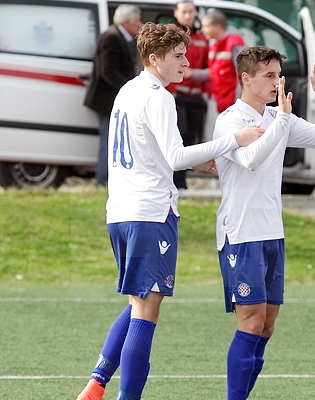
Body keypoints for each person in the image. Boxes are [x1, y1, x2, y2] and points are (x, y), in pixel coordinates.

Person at [75, 23, 263, 400]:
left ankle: (96, 384)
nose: (186, 61)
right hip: (150, 213)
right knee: (146, 311)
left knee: (138, 302)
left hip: (121, 212)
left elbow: (155, 152)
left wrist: (199, 162)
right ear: (154, 58)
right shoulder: (159, 96)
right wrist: (231, 141)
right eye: (178, 55)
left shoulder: (127, 91)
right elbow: (175, 155)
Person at [213, 47, 315, 400]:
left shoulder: (278, 116)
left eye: (278, 75)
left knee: (266, 327)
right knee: (250, 322)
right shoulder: (230, 120)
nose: (277, 82)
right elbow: (250, 160)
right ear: (246, 78)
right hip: (241, 233)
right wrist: (282, 119)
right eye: (269, 75)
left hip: (272, 233)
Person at [84, 5, 141, 186]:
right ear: (127, 21)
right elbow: (108, 71)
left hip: (112, 100)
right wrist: (130, 88)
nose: (140, 25)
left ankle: (106, 179)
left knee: (113, 139)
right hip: (106, 100)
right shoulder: (111, 38)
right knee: (109, 141)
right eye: (137, 21)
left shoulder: (119, 37)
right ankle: (103, 180)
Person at [169, 0, 210, 190]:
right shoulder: (170, 35)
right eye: (184, 12)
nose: (187, 15)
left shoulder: (202, 38)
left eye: (191, 12)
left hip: (196, 97)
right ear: (176, 13)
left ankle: (181, 182)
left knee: (190, 140)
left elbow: (209, 67)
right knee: (179, 135)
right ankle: (173, 180)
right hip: (177, 96)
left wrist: (206, 94)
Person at [193, 9, 245, 113]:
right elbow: (214, 72)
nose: (202, 30)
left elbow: (243, 76)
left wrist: (239, 103)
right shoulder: (215, 44)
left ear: (217, 27)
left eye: (206, 26)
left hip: (232, 104)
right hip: (221, 101)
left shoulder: (234, 44)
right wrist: (191, 73)